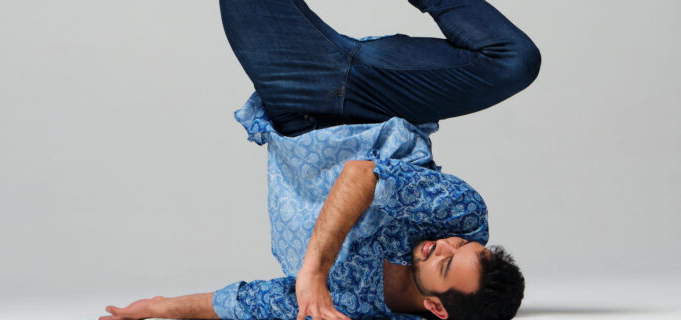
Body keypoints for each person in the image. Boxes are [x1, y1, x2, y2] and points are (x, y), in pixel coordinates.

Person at [99, 0, 541, 319]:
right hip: (379, 99)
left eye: (444, 263)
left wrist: (159, 309)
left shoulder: (354, 307)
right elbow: (362, 175)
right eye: (462, 246)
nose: (444, 244)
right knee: (514, 60)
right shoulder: (463, 215)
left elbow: (253, 302)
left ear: (436, 308)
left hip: (302, 101)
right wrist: (314, 272)